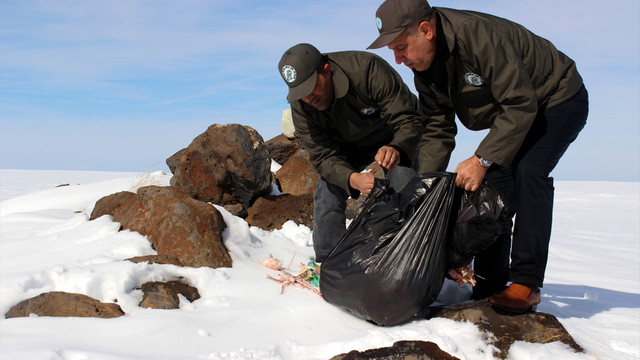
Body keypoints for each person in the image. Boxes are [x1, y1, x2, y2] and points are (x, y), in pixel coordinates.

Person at [368, 0, 589, 313]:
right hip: (516, 113)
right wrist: (424, 188)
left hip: (556, 99)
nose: (398, 59)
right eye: (393, 50)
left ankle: (526, 283)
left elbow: (519, 104)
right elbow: (437, 129)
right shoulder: (425, 70)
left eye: (401, 47)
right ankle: (490, 283)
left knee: (529, 172)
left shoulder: (478, 37)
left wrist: (482, 159)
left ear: (426, 30)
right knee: (492, 193)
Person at [277, 43, 425, 263]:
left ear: (326, 70)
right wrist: (352, 179)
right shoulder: (301, 103)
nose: (309, 98)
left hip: (394, 135)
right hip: (349, 146)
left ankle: (409, 258)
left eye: (311, 87)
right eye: (301, 92)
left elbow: (408, 119)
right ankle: (330, 265)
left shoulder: (367, 70)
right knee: (327, 187)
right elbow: (322, 155)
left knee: (403, 179)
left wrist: (397, 147)